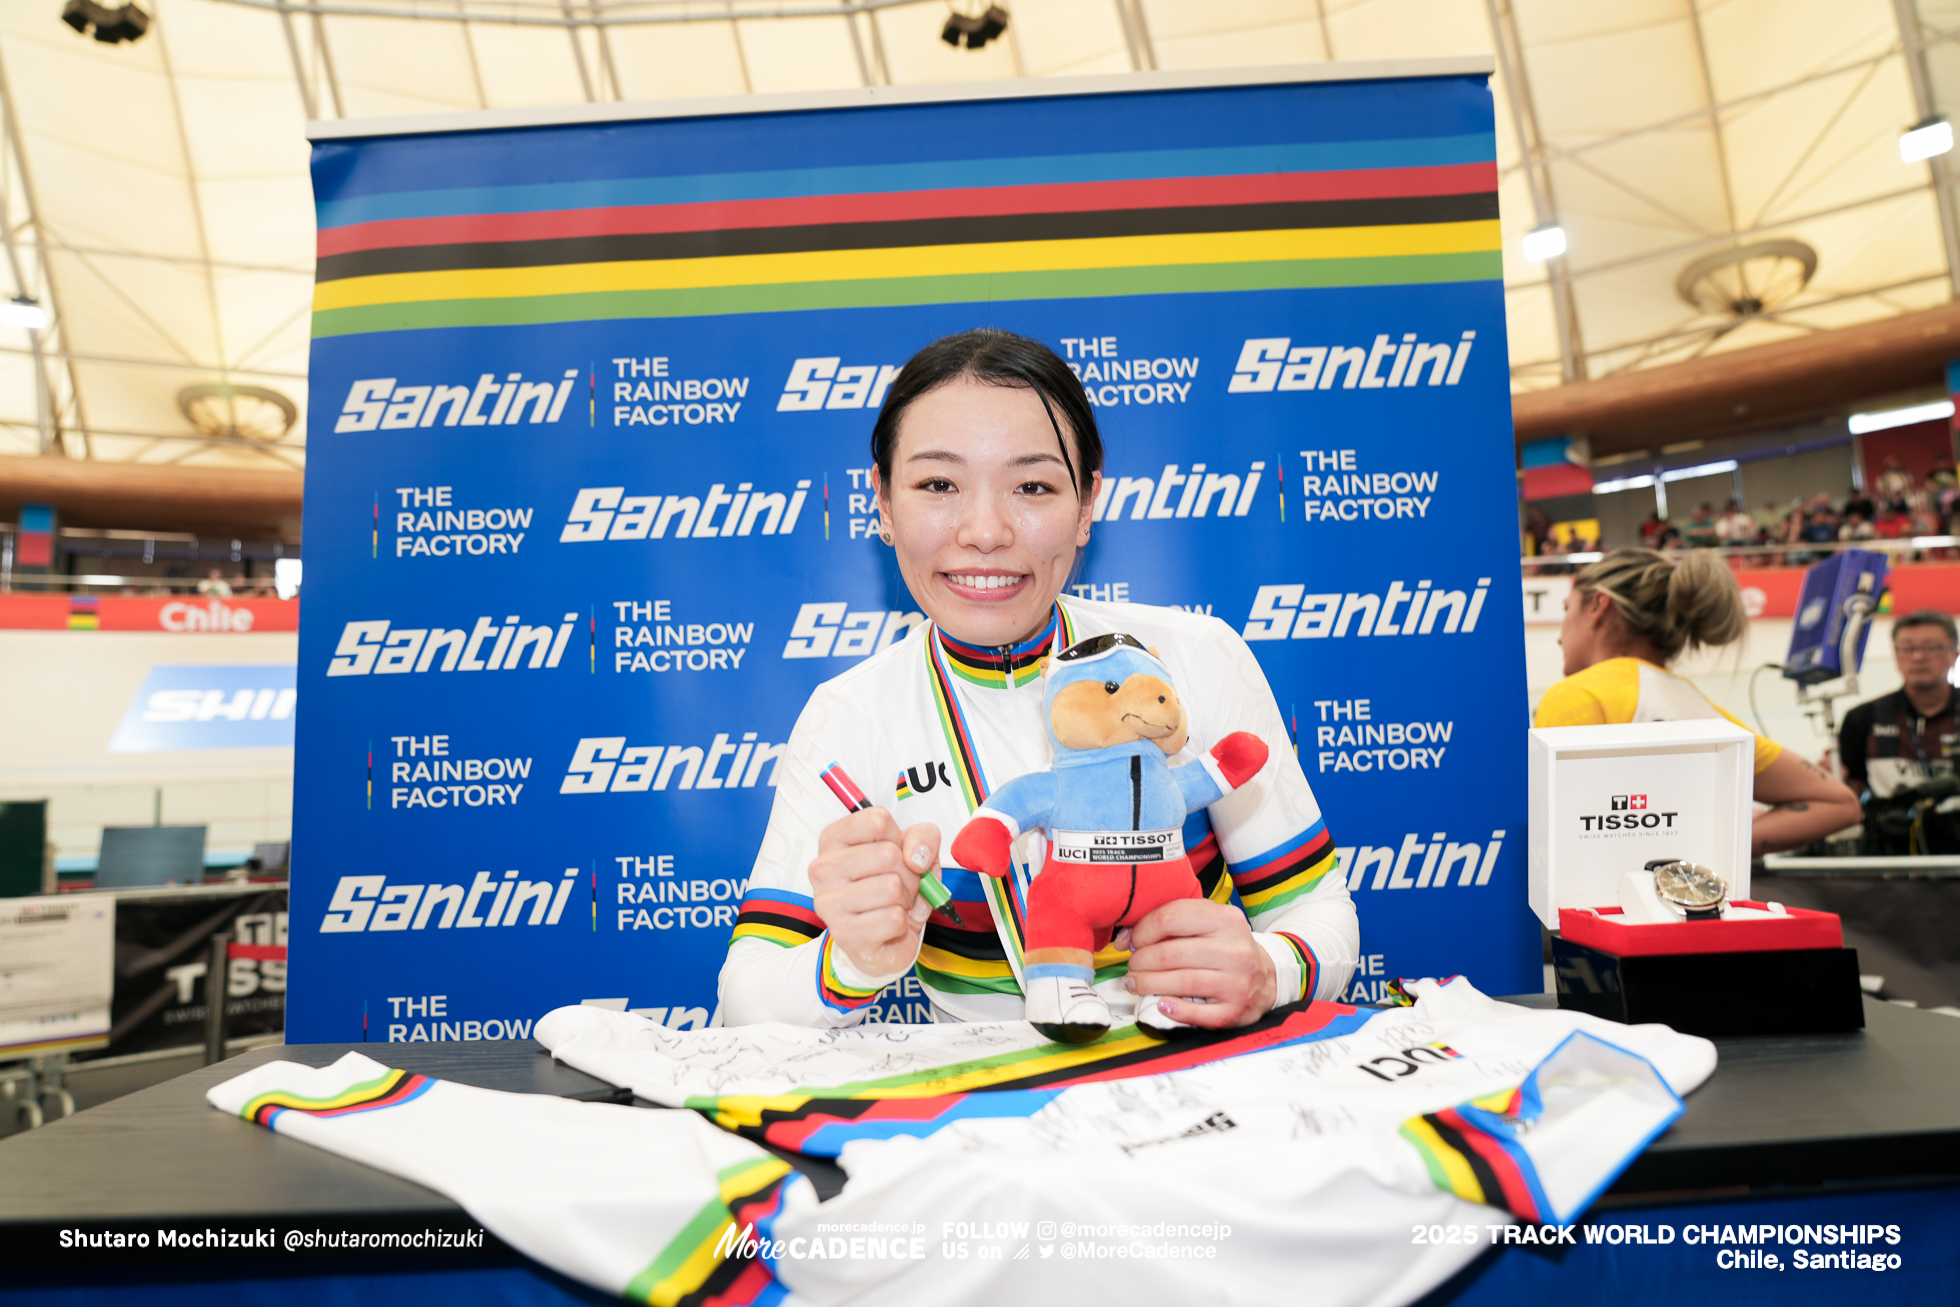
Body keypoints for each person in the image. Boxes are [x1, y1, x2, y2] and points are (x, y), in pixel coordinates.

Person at [720, 329, 1357, 1031]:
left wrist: (1271, 967)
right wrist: (850, 961)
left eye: (1032, 485)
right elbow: (744, 996)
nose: (985, 530)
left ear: (1086, 504)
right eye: (938, 484)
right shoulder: (849, 714)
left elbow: (1319, 912)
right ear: (882, 501)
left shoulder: (1194, 658)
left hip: (1190, 1084)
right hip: (976, 1117)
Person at [1535, 549, 1861, 856]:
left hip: (1605, 912)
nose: (1559, 636)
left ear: (1598, 607)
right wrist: (1709, 847)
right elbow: (1840, 804)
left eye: (1567, 610)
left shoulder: (1576, 696)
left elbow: (1553, 846)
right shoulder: (1705, 714)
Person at [1838, 611, 1960, 854]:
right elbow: (1853, 788)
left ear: (1954, 654)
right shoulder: (1862, 718)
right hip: (1889, 852)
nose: (1918, 656)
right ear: (1896, 656)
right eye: (1906, 648)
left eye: (1931, 647)